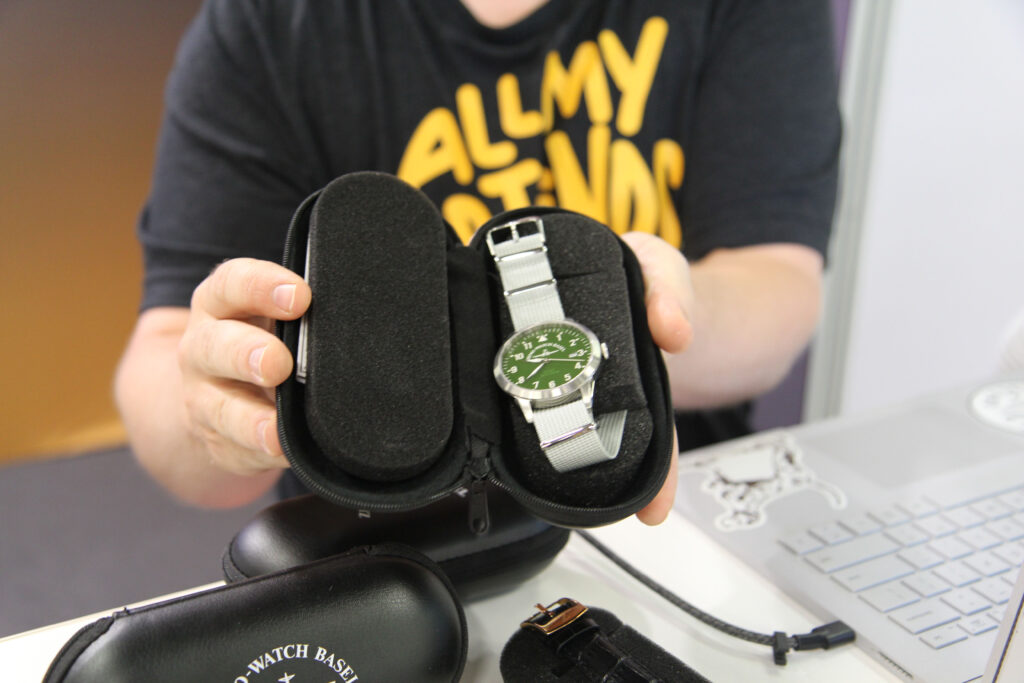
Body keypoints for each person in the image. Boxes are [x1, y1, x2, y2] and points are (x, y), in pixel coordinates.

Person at [114, 0, 840, 524]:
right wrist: (217, 411)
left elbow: (779, 278)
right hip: (373, 523)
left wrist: (652, 319)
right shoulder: (267, 28)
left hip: (653, 502)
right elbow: (161, 357)